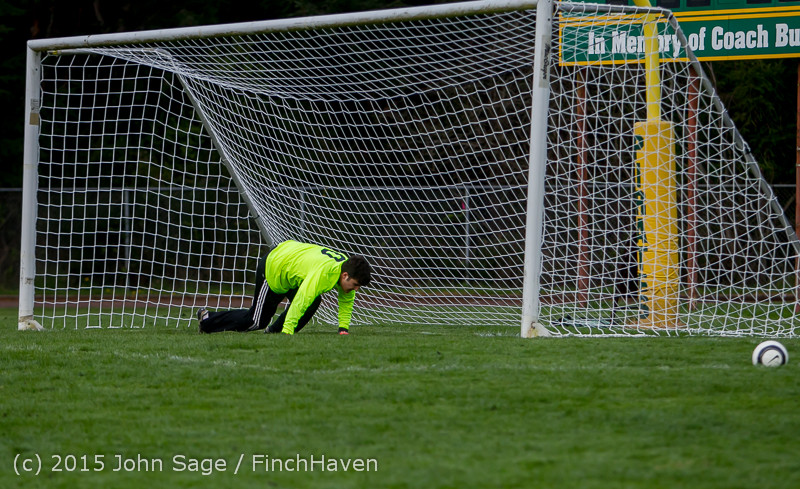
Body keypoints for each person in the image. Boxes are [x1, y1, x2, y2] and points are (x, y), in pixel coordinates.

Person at [197, 240, 372, 335]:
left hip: (291, 267)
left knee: (314, 301)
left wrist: (343, 329)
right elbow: (302, 299)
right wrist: (288, 330)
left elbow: (346, 301)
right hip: (275, 267)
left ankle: (274, 332)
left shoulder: (345, 268)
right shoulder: (324, 274)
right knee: (256, 321)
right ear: (345, 276)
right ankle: (207, 319)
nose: (356, 289)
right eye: (355, 285)